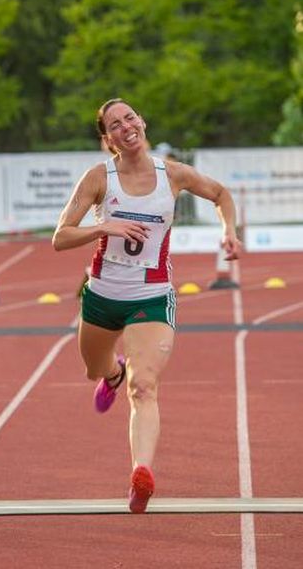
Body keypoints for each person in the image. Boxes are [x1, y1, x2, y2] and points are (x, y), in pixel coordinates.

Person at [52, 98, 241, 513]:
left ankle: (141, 473)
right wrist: (104, 225)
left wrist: (228, 230)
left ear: (142, 121)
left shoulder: (171, 173)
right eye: (115, 125)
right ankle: (112, 374)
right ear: (108, 140)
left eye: (130, 118)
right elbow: (60, 236)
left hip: (151, 296)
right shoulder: (98, 178)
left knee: (145, 386)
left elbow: (220, 194)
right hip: (102, 295)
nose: (126, 127)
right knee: (94, 369)